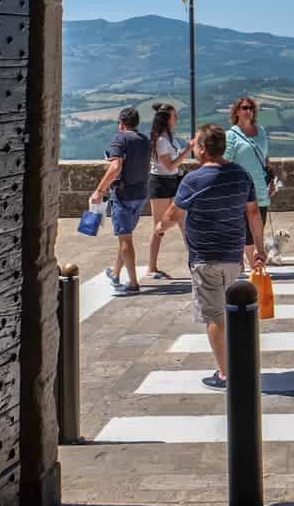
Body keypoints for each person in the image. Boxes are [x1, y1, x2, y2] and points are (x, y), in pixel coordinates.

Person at [155, 123, 265, 390]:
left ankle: (226, 374)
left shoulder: (193, 180)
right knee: (231, 313)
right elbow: (253, 213)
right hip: (232, 256)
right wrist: (260, 249)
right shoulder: (240, 175)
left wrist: (161, 227)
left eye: (195, 145)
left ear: (203, 149)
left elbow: (173, 214)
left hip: (205, 257)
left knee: (215, 316)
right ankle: (240, 364)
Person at [90, 105, 151, 297]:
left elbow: (115, 167)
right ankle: (116, 274)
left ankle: (133, 283)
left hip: (123, 195)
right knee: (125, 236)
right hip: (141, 194)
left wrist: (99, 190)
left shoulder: (120, 138)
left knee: (125, 239)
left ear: (121, 124)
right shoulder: (145, 140)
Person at [146, 101, 193, 280]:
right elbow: (170, 165)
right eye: (174, 116)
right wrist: (187, 150)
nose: (177, 119)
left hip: (171, 181)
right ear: (167, 119)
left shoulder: (167, 139)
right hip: (160, 183)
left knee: (183, 222)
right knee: (159, 226)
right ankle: (152, 267)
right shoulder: (161, 141)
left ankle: (194, 261)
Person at [224, 95, 271, 269]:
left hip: (260, 186)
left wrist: (271, 179)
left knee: (259, 226)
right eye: (244, 108)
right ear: (236, 111)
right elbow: (226, 161)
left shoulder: (261, 131)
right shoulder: (231, 135)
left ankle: (249, 262)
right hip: (240, 188)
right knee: (244, 228)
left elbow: (265, 157)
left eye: (251, 108)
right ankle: (251, 263)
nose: (248, 111)